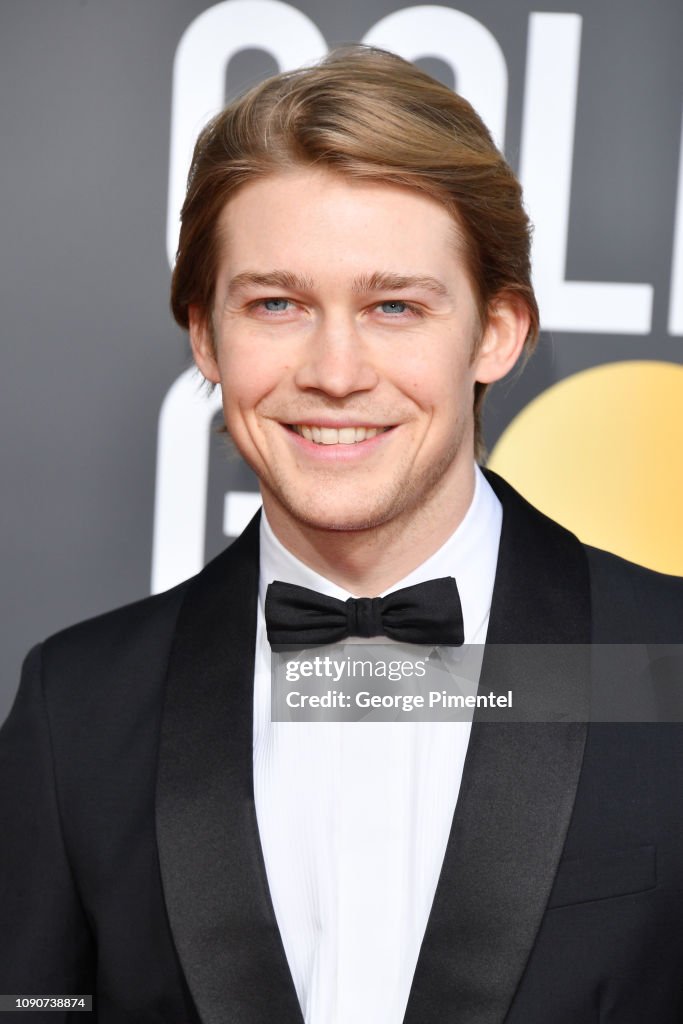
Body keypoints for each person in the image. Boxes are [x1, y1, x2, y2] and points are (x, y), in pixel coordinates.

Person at [1, 45, 682, 1024]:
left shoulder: (661, 665)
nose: (333, 369)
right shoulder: (79, 711)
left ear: (494, 330)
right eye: (275, 303)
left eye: (393, 306)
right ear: (204, 334)